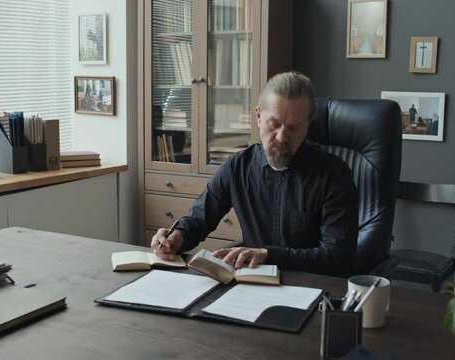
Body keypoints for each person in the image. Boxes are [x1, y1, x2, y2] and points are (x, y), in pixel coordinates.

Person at [151, 71, 358, 277]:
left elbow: (337, 257)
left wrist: (268, 256)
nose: (282, 136)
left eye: (294, 127)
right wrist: (175, 237)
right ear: (258, 116)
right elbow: (198, 220)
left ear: (308, 124)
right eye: (274, 124)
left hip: (310, 286)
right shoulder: (237, 167)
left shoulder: (334, 175)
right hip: (250, 282)